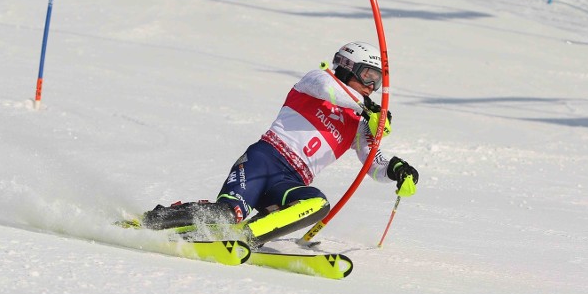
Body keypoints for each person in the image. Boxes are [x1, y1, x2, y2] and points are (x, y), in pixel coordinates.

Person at [139, 41, 420, 246]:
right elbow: (327, 88)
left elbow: (373, 164)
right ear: (348, 67)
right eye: (368, 76)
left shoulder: (359, 124)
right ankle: (152, 221)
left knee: (317, 203)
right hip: (264, 160)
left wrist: (396, 169)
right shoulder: (318, 80)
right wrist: (366, 108)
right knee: (228, 212)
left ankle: (246, 237)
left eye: (378, 82)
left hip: (288, 182)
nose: (372, 87)